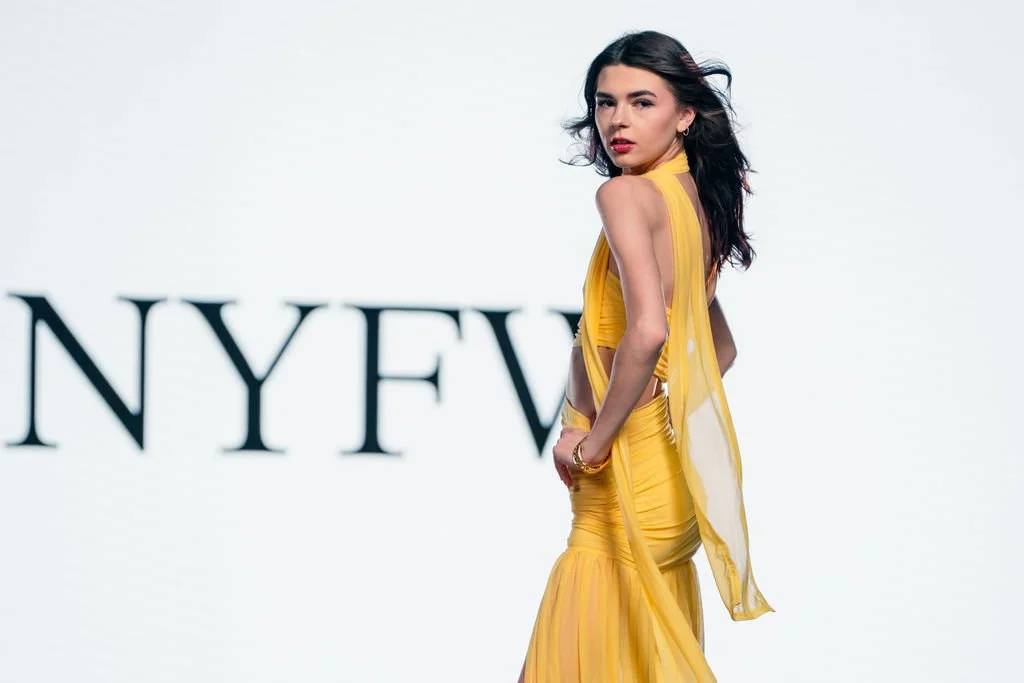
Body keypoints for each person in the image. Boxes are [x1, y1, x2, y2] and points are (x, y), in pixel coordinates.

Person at [517, 30, 773, 682]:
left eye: (641, 102)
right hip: (666, 470)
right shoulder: (696, 199)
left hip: (623, 475)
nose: (617, 122)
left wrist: (595, 441)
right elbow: (720, 346)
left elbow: (649, 332)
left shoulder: (625, 195)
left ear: (684, 114)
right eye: (605, 103)